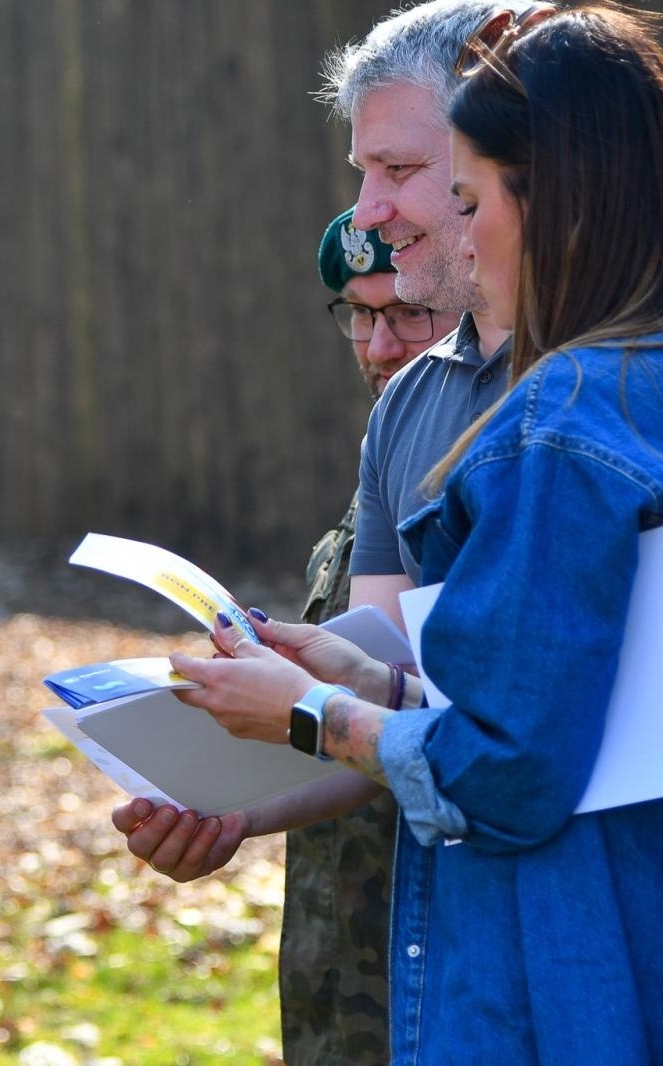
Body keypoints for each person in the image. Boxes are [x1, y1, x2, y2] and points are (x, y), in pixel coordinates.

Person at [118, 4, 663, 1059]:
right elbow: (597, 702)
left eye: (455, 188)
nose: (379, 212)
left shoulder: (565, 419)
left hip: (602, 973)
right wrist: (350, 686)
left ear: (548, 191)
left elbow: (505, 768)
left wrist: (314, 711)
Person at [286, 210, 455, 1065]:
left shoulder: (485, 481)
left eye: (407, 315)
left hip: (435, 952)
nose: (380, 346)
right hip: (339, 952)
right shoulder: (379, 479)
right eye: (359, 313)